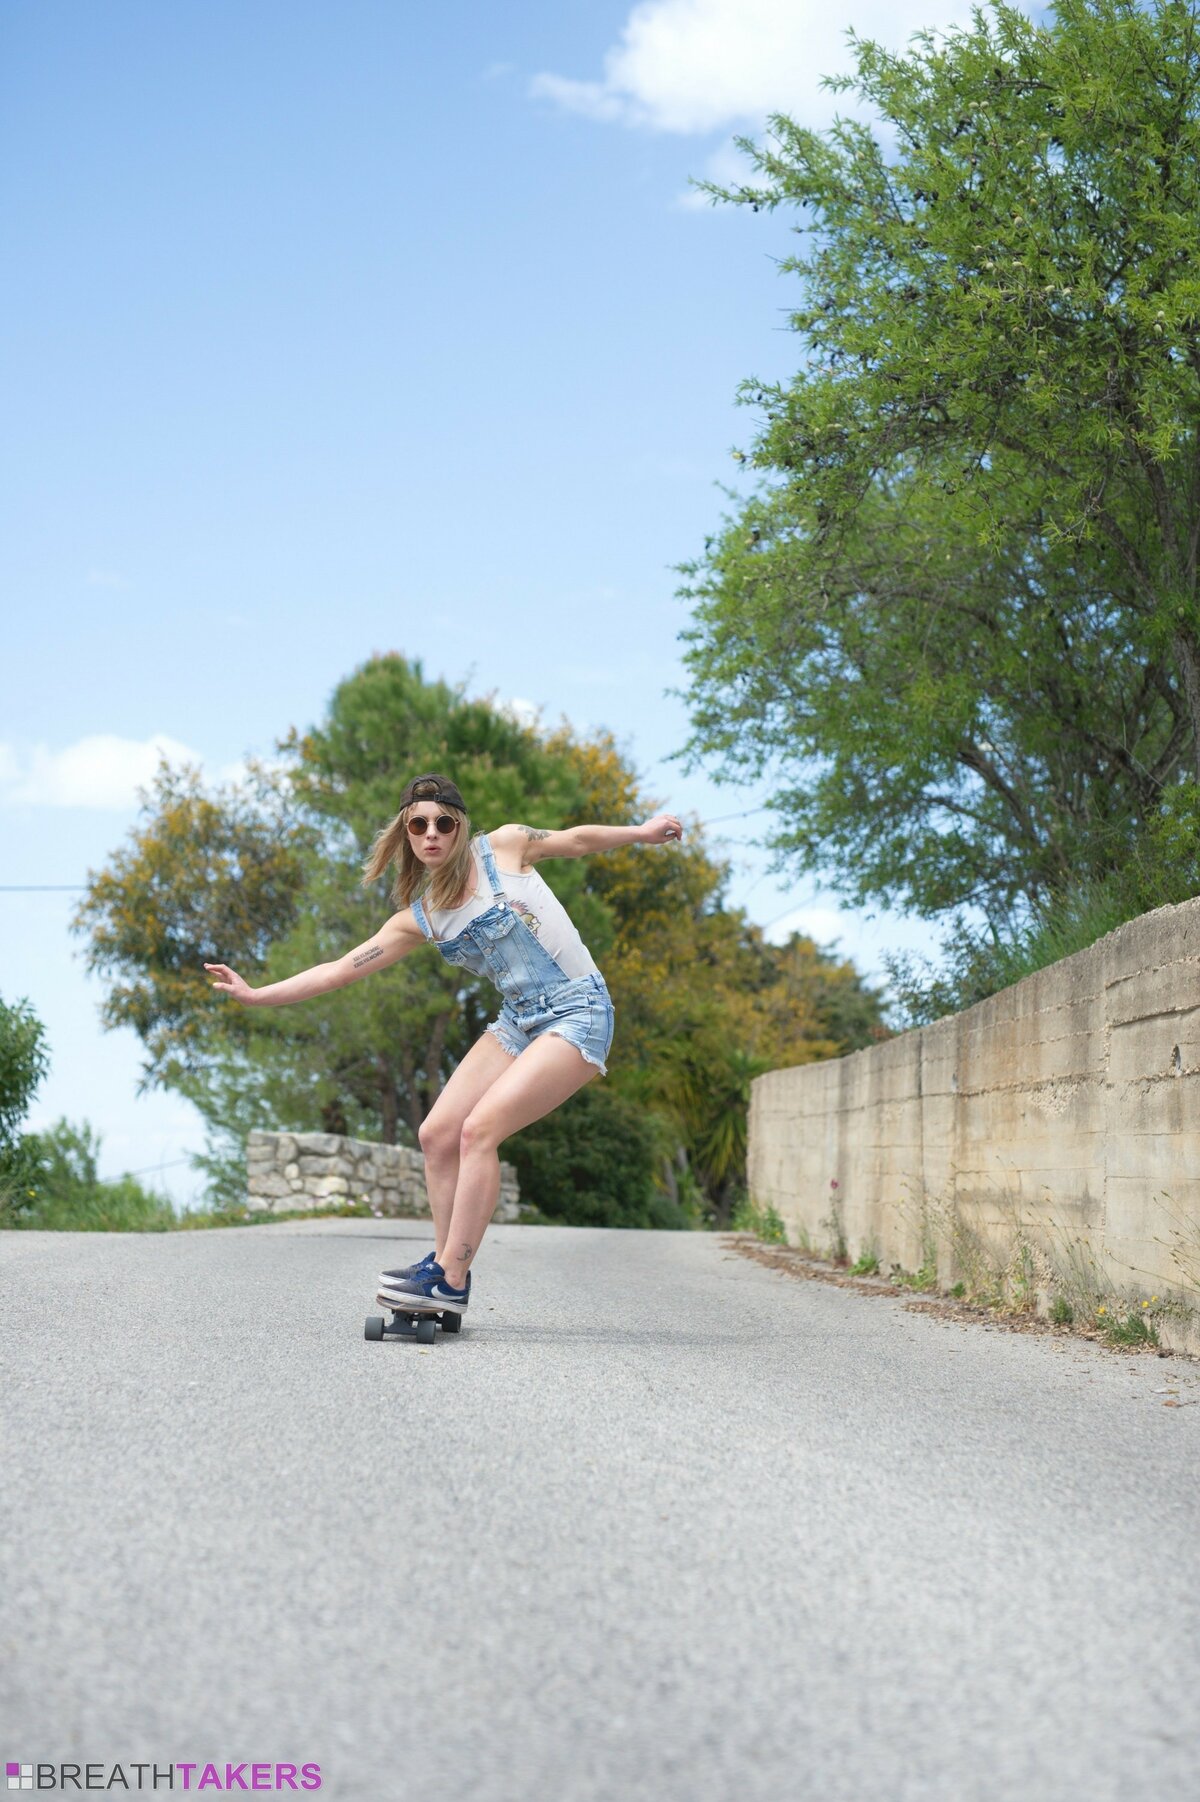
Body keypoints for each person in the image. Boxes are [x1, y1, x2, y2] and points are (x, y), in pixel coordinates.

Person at [204, 772, 683, 1317]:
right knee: (436, 1134)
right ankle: (443, 1267)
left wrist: (641, 832)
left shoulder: (505, 847)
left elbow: (576, 840)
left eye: (443, 823)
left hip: (579, 1010)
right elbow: (338, 970)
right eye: (418, 825)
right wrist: (256, 994)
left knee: (479, 1131)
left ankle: (450, 1280)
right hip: (519, 1022)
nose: (431, 833)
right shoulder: (422, 919)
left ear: (460, 826)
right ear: (406, 834)